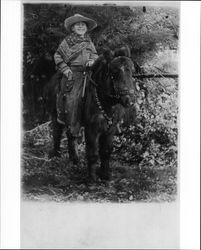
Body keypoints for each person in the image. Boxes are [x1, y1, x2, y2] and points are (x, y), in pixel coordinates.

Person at [54, 14, 98, 137]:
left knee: (98, 95)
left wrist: (92, 60)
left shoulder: (88, 41)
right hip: (73, 73)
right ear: (73, 28)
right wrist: (65, 69)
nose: (80, 26)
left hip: (88, 72)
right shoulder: (67, 41)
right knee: (72, 98)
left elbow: (95, 54)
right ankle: (73, 127)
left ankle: (97, 124)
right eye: (77, 25)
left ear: (86, 28)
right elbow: (57, 56)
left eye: (83, 25)